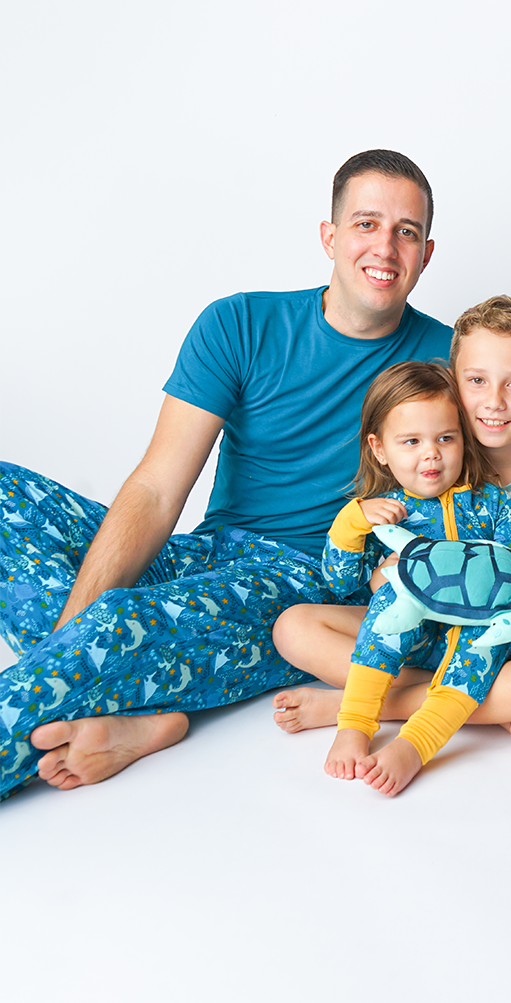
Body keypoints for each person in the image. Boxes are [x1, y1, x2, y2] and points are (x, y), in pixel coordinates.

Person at [0, 149, 452, 800]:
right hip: (210, 552)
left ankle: (99, 682)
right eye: (366, 223)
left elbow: (503, 490)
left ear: (426, 253)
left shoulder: (448, 358)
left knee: (116, 622)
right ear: (329, 236)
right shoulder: (240, 323)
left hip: (307, 580)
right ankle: (122, 706)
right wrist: (74, 636)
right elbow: (157, 488)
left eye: (406, 231)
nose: (385, 245)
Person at [273, 294, 511, 740]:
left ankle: (361, 705)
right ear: (452, 385)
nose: (493, 402)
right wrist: (378, 573)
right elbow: (354, 577)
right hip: (425, 622)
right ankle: (492, 704)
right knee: (293, 627)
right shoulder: (424, 462)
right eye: (476, 381)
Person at [288, 361, 511, 795]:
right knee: (295, 626)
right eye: (411, 441)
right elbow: (341, 583)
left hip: (474, 636)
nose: (431, 453)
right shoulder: (381, 510)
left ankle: (414, 741)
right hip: (407, 640)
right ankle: (357, 721)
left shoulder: (491, 504)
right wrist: (353, 522)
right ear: (379, 448)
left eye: (445, 438)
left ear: (463, 438)